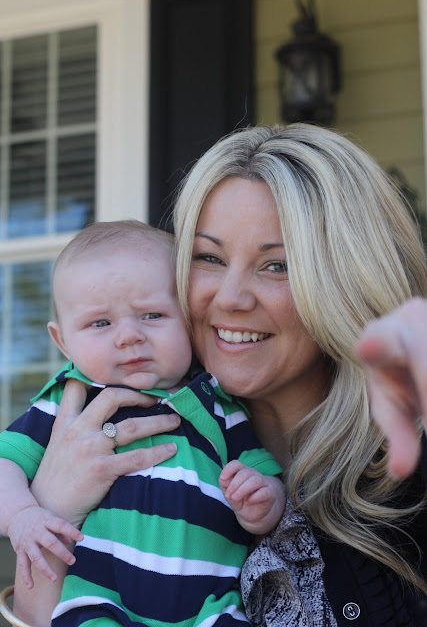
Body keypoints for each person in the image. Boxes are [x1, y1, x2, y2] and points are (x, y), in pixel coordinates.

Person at [8, 122, 427, 627]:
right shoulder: (84, 416)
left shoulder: (407, 483)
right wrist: (52, 506)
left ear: (348, 282)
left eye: (277, 265)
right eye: (209, 258)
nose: (230, 298)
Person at [0, 220, 284, 626]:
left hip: (209, 609)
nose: (129, 336)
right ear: (62, 341)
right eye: (101, 323)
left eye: (152, 315)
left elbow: (265, 480)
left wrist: (261, 502)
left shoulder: (217, 404)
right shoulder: (70, 403)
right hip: (102, 602)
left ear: (188, 319)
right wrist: (22, 515)